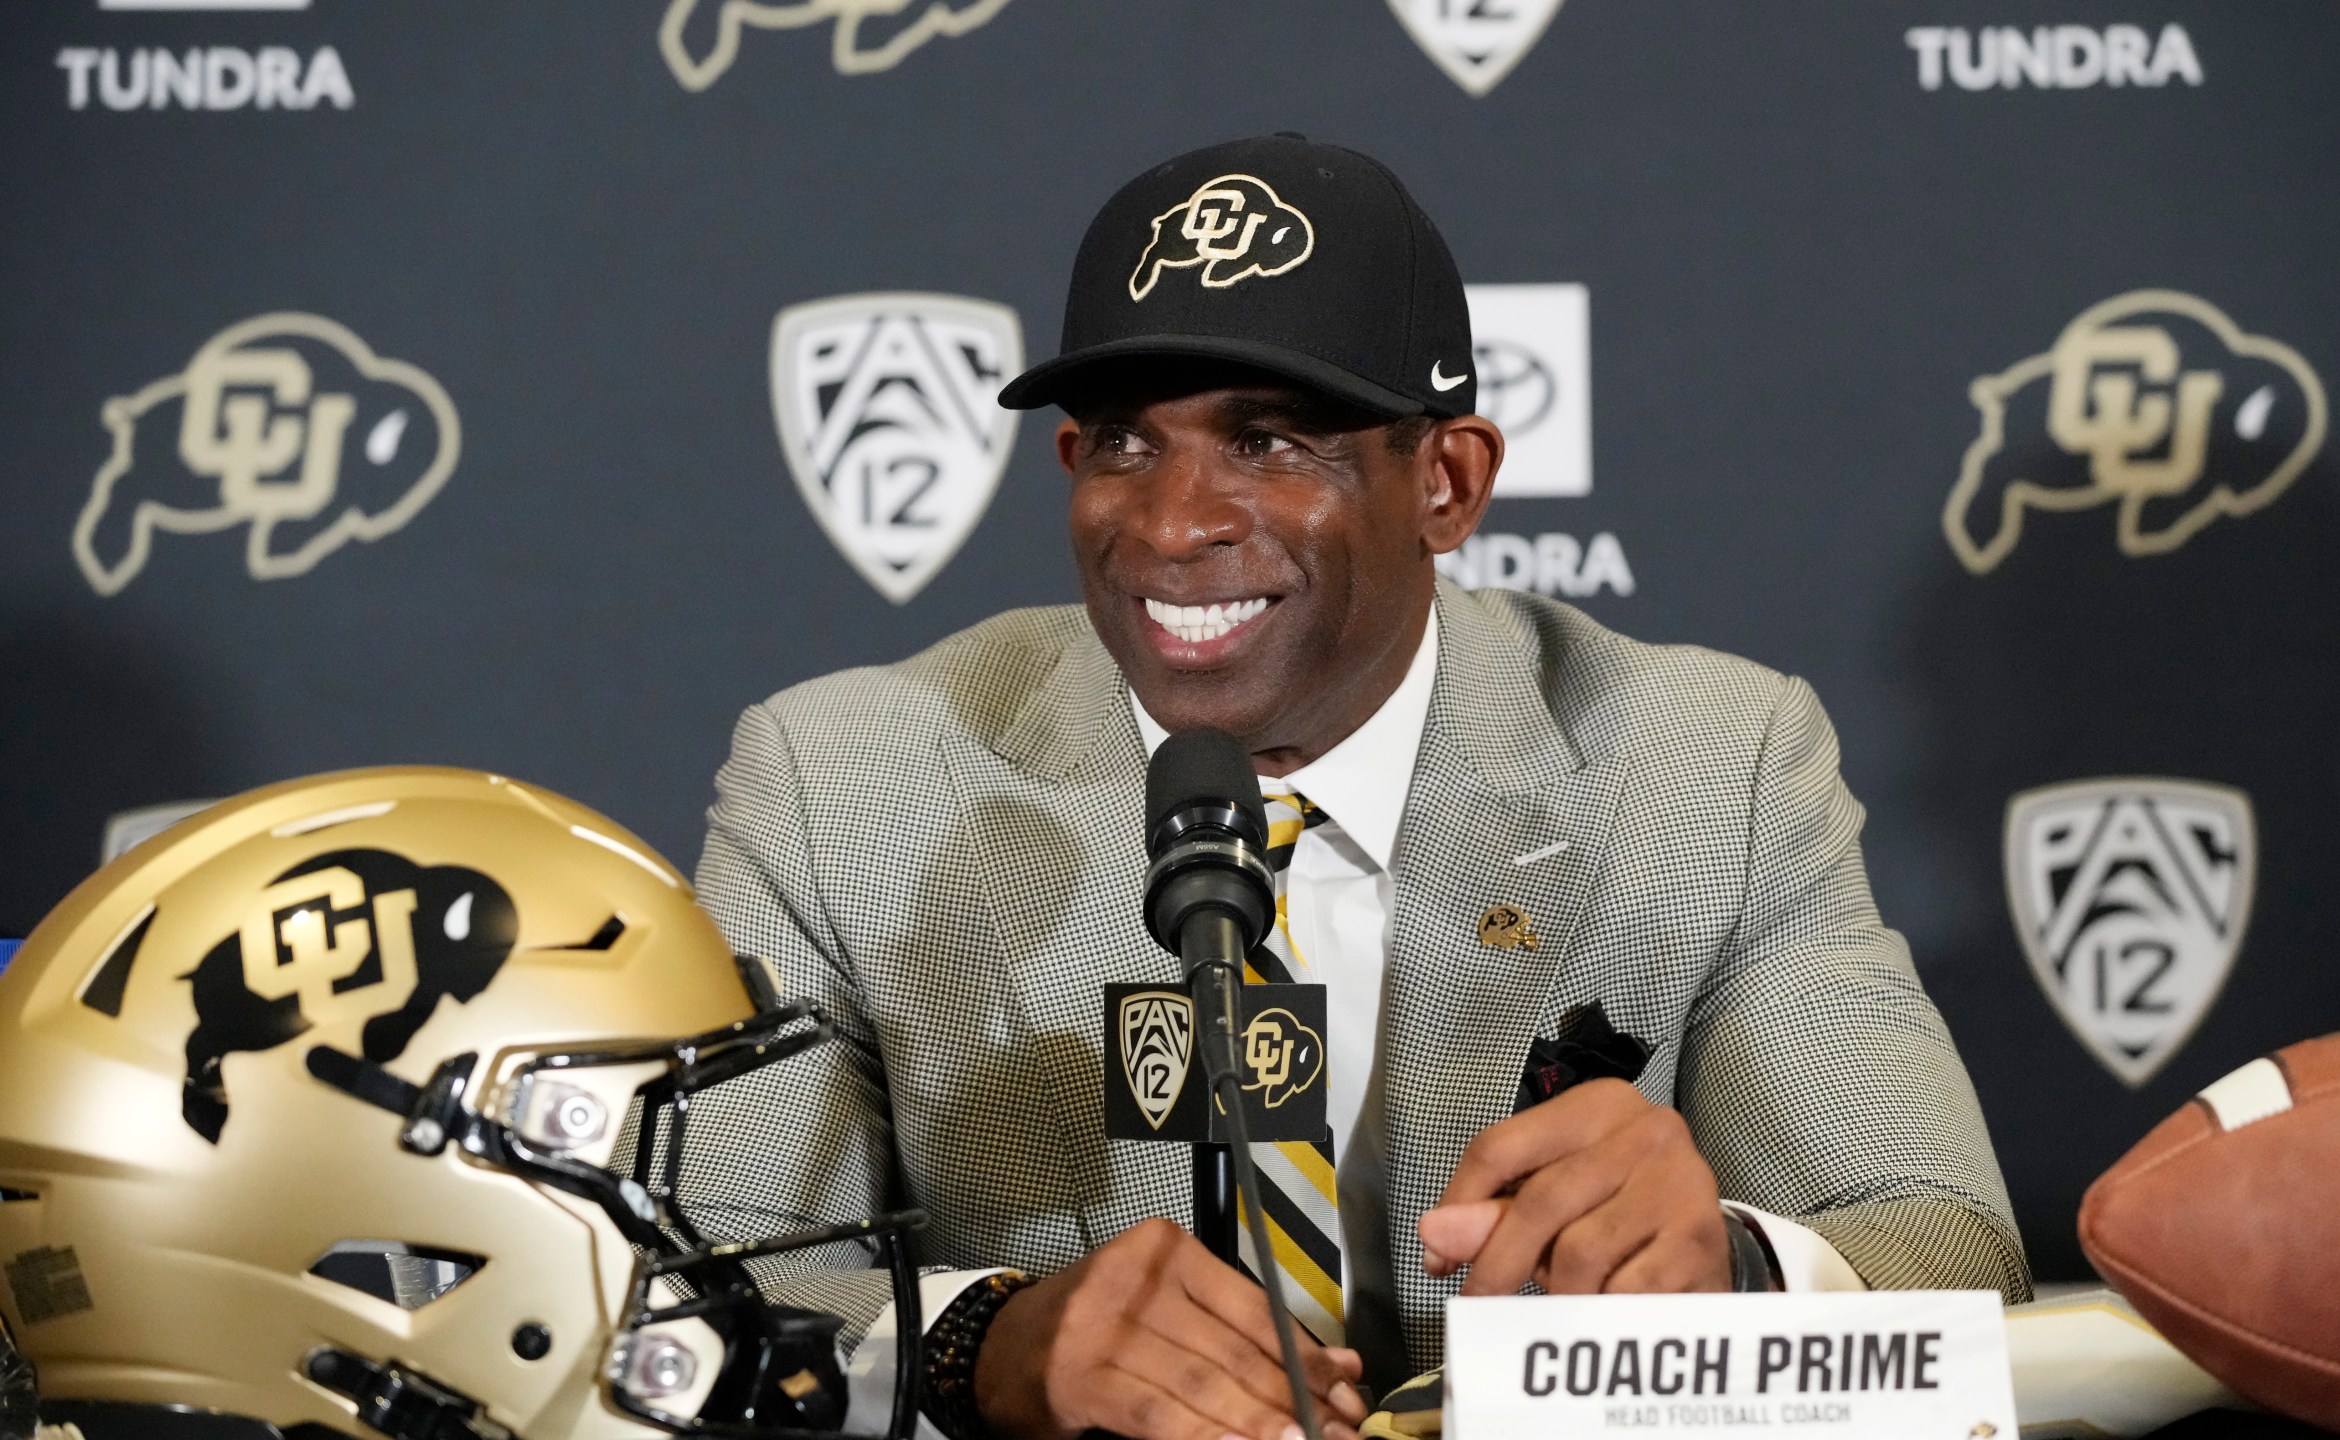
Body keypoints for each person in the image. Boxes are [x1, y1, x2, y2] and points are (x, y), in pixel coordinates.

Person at [691, 133, 2028, 1440]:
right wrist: (978, 1349)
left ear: (1446, 483)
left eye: (1270, 441)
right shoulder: (842, 786)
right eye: (1122, 444)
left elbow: (1946, 1242)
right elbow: (674, 1303)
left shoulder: (1705, 766)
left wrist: (1730, 1268)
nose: (1172, 524)